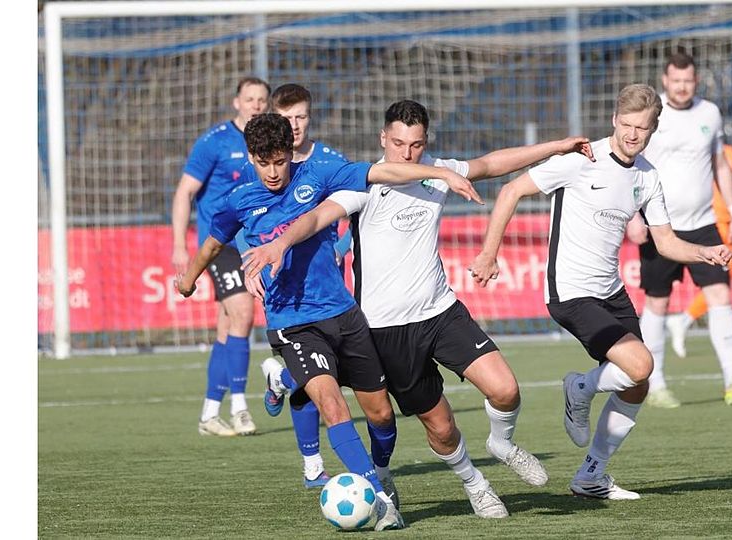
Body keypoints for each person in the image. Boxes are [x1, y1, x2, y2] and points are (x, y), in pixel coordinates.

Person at [243, 100, 593, 518]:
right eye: (398, 144)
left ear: (426, 143)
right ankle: (474, 483)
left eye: (416, 145)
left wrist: (557, 146)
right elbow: (318, 218)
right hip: (387, 329)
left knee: (505, 389)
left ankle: (501, 443)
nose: (407, 153)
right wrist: (279, 245)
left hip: (441, 311)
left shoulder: (438, 173)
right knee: (440, 428)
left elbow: (491, 164)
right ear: (382, 140)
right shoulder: (363, 184)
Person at [175, 112, 482, 530]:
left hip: (343, 314)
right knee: (334, 407)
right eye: (263, 162)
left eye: (279, 161)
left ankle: (291, 388)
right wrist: (189, 279)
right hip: (292, 322)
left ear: (290, 154)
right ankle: (376, 499)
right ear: (250, 157)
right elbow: (213, 243)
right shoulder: (238, 198)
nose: (271, 172)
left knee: (381, 417)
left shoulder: (318, 174)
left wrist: (440, 172)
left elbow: (382, 170)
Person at [468, 84, 732, 500]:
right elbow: (510, 190)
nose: (632, 134)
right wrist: (488, 254)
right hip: (570, 292)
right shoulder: (580, 159)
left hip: (611, 291)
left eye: (641, 128)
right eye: (626, 124)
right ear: (614, 120)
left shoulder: (647, 175)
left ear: (652, 130)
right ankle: (580, 387)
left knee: (636, 384)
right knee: (640, 363)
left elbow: (665, 242)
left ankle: (591, 476)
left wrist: (704, 251)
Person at [638, 53, 732, 408]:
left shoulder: (710, 112)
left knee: (721, 296)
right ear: (665, 80)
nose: (682, 86)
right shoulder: (651, 114)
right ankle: (656, 383)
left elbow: (720, 164)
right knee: (657, 302)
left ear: (696, 81)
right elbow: (632, 164)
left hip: (705, 223)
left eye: (688, 80)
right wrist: (634, 216)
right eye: (676, 80)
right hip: (659, 225)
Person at [258, 83, 350, 489]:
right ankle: (313, 463)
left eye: (301, 117)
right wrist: (253, 270)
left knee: (328, 372)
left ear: (310, 117)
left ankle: (281, 380)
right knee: (315, 375)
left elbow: (357, 212)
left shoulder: (329, 161)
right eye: (286, 118)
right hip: (286, 291)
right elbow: (250, 224)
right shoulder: (267, 164)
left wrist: (341, 246)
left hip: (330, 284)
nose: (294, 126)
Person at [170, 76, 270, 437]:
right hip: (221, 243)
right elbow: (185, 192)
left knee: (228, 326)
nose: (256, 105)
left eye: (262, 99)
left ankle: (210, 413)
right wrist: (181, 245)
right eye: (250, 99)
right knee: (243, 311)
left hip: (255, 243)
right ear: (236, 102)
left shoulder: (267, 142)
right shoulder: (214, 142)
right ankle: (241, 407)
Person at [661, 143, 732, 362]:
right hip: (705, 224)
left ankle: (705, 329)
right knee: (719, 286)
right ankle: (685, 320)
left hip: (728, 222)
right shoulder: (688, 150)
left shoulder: (730, 152)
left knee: (723, 283)